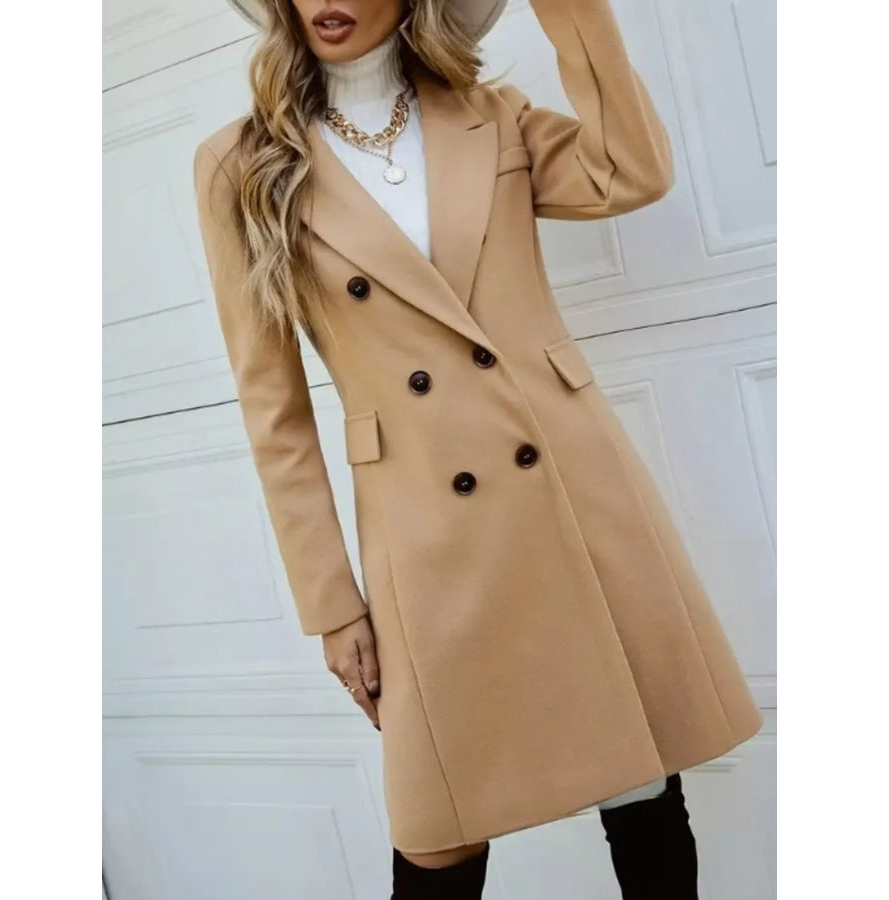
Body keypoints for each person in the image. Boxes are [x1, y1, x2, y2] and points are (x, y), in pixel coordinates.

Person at [194, 1, 763, 897]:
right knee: (439, 837)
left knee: (643, 790)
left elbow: (631, 171)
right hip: (427, 536)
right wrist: (333, 605)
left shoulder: (492, 116)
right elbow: (275, 411)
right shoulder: (242, 164)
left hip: (571, 495)